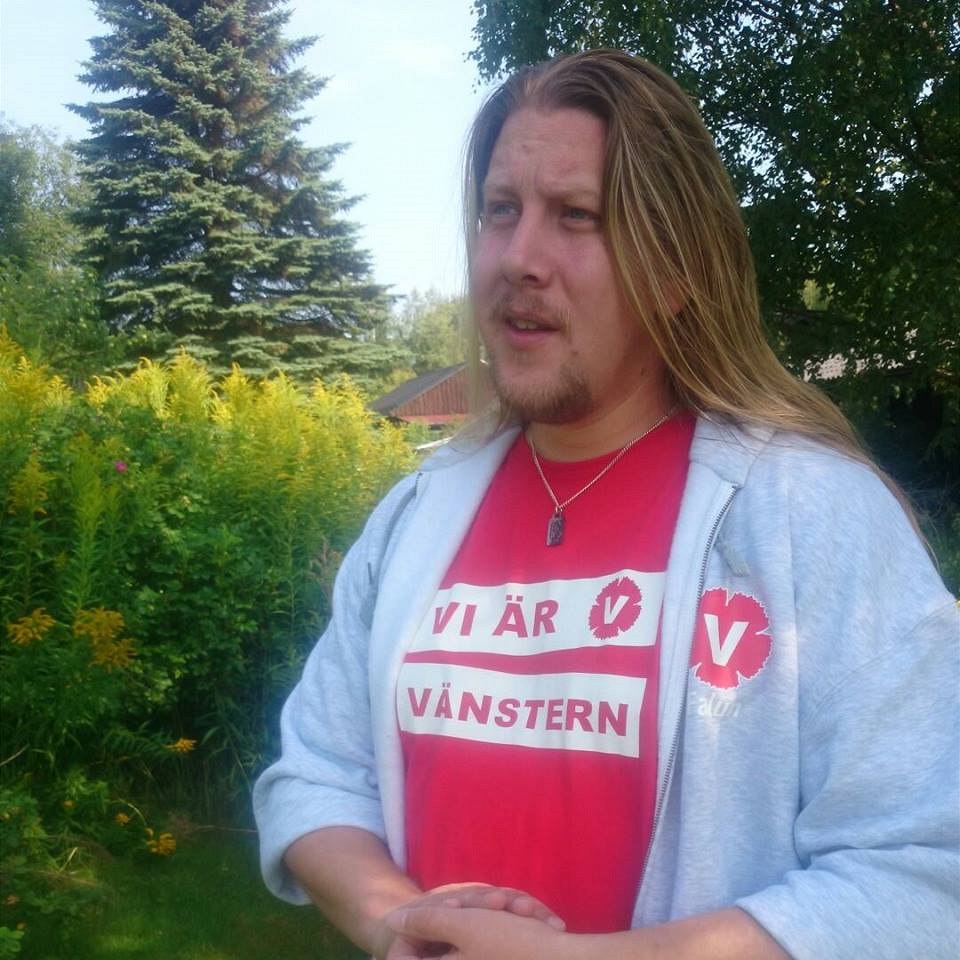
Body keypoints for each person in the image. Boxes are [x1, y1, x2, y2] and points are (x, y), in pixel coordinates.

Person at [253, 49, 959, 959]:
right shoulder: (415, 516)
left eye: (576, 216)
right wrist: (398, 920)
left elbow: (925, 877)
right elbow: (314, 776)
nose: (519, 258)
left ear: (674, 269)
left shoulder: (811, 517)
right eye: (500, 210)